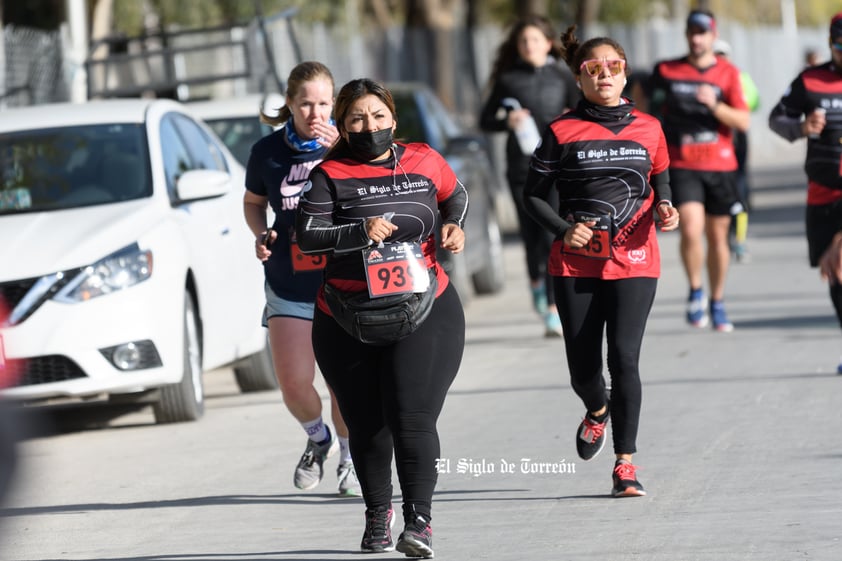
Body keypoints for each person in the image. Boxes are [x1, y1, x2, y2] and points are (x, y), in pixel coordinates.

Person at [296, 78, 467, 558]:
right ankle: (377, 513)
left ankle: (419, 522)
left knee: (411, 416)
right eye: (356, 119)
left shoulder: (424, 159)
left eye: (376, 117)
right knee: (366, 423)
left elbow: (457, 196)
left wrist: (454, 225)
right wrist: (359, 230)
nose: (368, 126)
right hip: (346, 316)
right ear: (343, 126)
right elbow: (308, 236)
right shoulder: (328, 175)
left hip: (426, 307)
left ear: (392, 118)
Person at [523, 27, 679, 497]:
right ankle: (596, 409)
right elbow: (533, 197)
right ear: (579, 78)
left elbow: (662, 180)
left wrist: (666, 207)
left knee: (625, 358)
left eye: (613, 66)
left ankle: (625, 464)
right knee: (584, 368)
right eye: (594, 68)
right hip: (575, 263)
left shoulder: (649, 127)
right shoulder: (561, 131)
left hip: (635, 258)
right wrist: (562, 228)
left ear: (625, 72)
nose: (605, 74)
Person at [243, 61, 360, 496]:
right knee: (293, 381)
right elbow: (254, 202)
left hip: (341, 281)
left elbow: (373, 193)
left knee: (342, 383)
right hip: (289, 281)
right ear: (289, 103)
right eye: (306, 104)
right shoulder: (267, 153)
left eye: (325, 104)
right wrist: (260, 235)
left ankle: (351, 457)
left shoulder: (350, 145)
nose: (316, 114)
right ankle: (318, 439)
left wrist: (340, 154)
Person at [648, 9, 750, 332]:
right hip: (682, 163)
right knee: (690, 229)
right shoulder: (667, 70)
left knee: (717, 236)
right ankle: (695, 290)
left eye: (702, 32)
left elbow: (744, 121)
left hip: (720, 165)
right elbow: (643, 105)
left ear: (713, 35)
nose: (696, 38)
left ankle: (717, 300)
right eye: (691, 32)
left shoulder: (728, 73)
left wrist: (715, 105)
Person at [479, 14, 579, 337]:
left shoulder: (562, 76)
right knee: (531, 237)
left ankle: (552, 307)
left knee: (552, 235)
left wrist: (569, 117)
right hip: (522, 168)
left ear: (547, 43)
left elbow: (581, 112)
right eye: (523, 41)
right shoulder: (508, 80)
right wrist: (506, 122)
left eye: (534, 40)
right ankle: (536, 282)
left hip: (556, 166)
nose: (529, 46)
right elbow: (485, 120)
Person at [769, 12, 842, 374]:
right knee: (834, 273)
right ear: (832, 44)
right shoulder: (811, 80)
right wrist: (801, 126)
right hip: (823, 192)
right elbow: (775, 119)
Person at [712, 38, 761, 263]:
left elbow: (753, 101)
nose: (720, 59)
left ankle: (739, 241)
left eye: (723, 54)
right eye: (716, 54)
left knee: (739, 192)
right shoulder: (701, 78)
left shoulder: (738, 76)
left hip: (736, 140)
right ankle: (718, 240)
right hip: (711, 146)